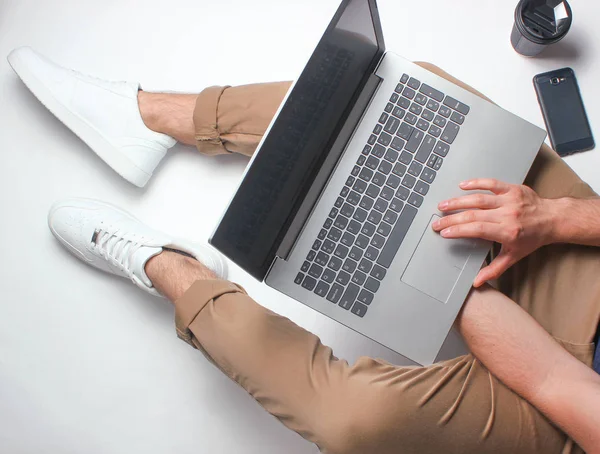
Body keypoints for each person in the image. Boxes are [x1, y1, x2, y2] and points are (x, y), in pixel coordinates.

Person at [8, 46, 600, 454]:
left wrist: (443, 282)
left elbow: (558, 385)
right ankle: (150, 118)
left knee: (351, 422)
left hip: (566, 422)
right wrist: (556, 216)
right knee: (418, 103)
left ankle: (177, 273)